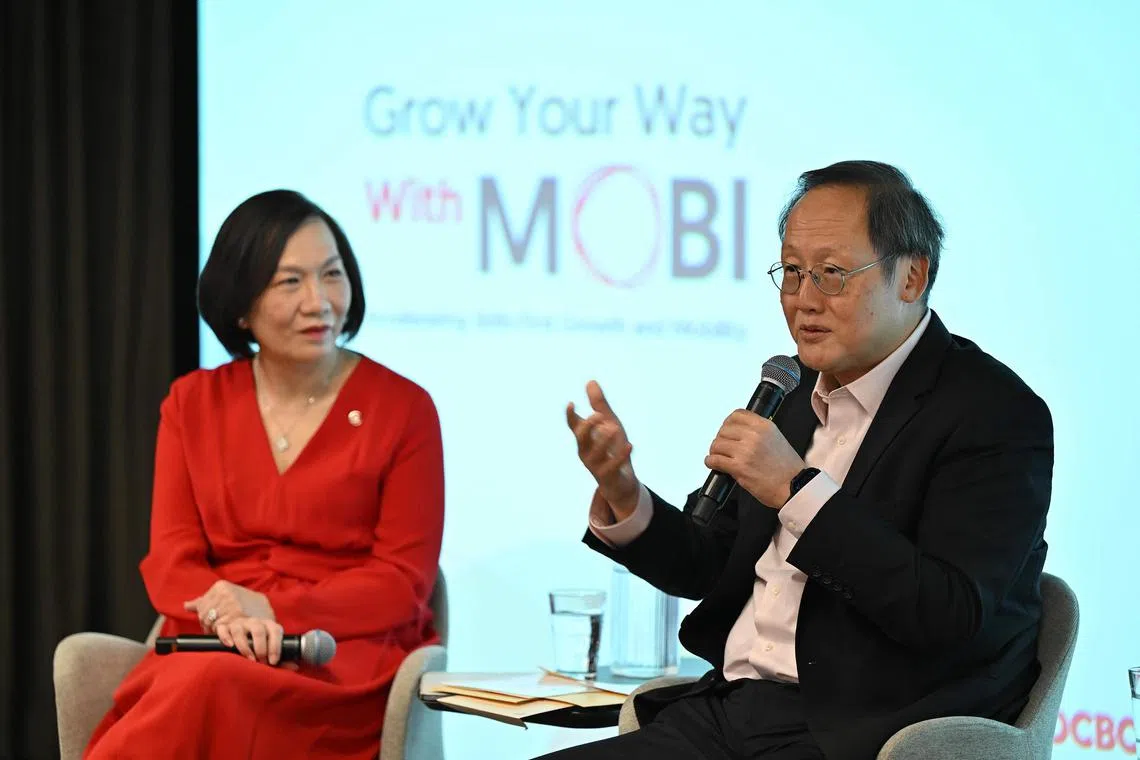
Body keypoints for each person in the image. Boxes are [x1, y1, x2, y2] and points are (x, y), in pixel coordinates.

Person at [552, 161, 1053, 760]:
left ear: (911, 276)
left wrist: (795, 490)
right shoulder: (790, 393)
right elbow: (709, 565)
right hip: (727, 715)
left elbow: (947, 613)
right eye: (792, 272)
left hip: (863, 732)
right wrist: (626, 496)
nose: (804, 301)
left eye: (832, 274)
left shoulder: (993, 413)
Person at [84, 190, 445, 759]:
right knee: (201, 681)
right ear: (240, 304)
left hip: (336, 653)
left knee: (204, 689)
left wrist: (276, 611)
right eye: (290, 282)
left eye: (332, 275)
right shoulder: (192, 403)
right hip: (216, 639)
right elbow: (172, 559)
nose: (319, 302)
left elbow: (403, 581)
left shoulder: (404, 409)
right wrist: (228, 616)